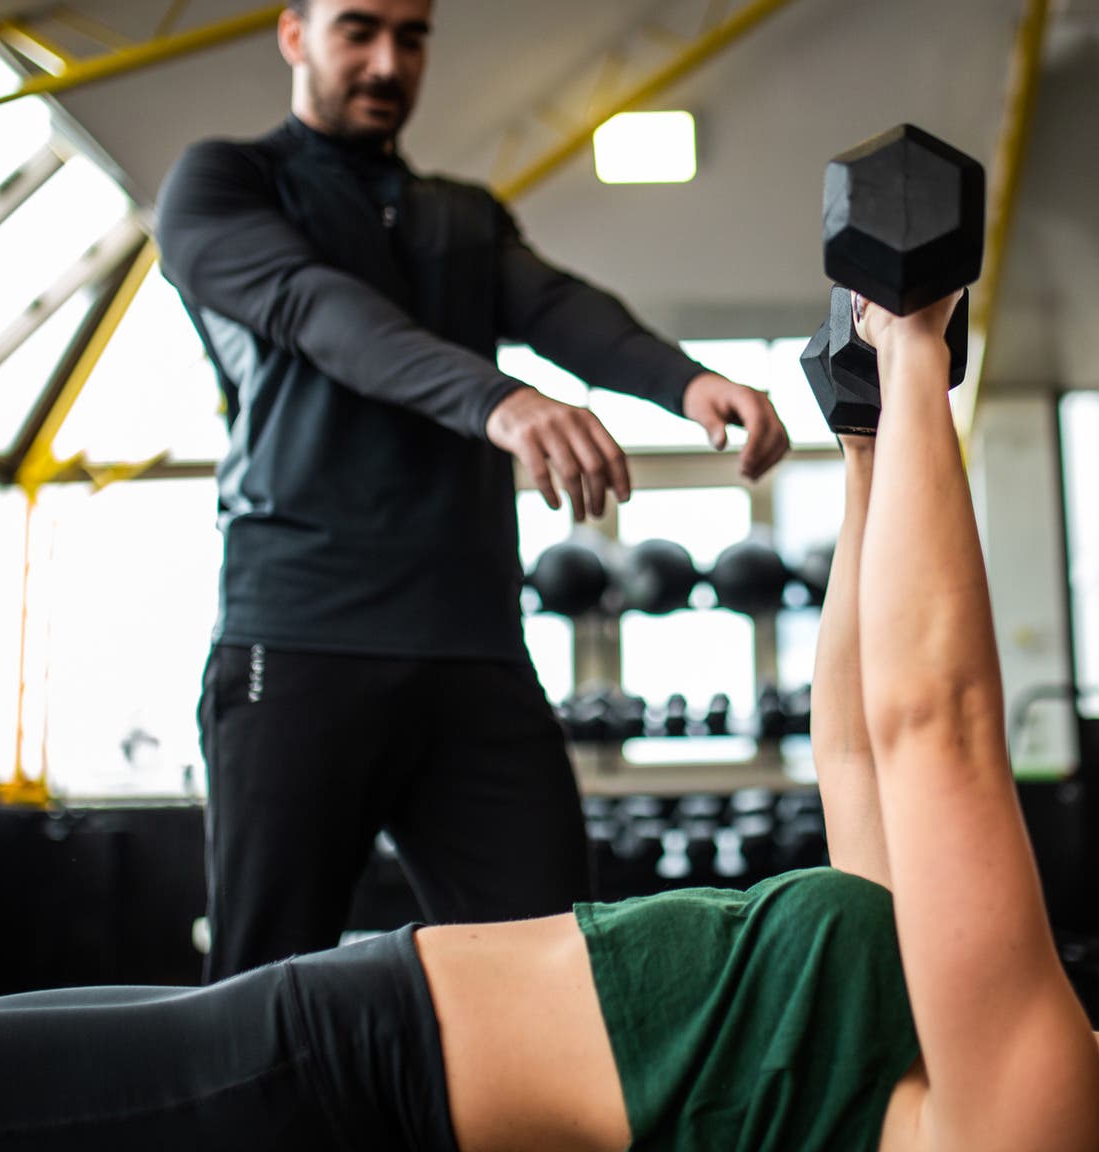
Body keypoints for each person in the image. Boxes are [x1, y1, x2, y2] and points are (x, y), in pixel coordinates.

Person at [0, 291, 1099, 1152]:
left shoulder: (1039, 1116)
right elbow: (856, 750)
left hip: (339, 1092)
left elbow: (938, 728)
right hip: (317, 1040)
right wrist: (870, 436)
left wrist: (916, 359)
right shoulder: (1017, 1037)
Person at [154, 0, 791, 978]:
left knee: (562, 979)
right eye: (356, 30)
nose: (384, 61)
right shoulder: (227, 183)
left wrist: (684, 381)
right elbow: (317, 310)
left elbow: (556, 307)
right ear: (294, 34)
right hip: (301, 641)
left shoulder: (460, 213)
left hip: (474, 652)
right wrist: (495, 399)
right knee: (261, 991)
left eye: (409, 37)